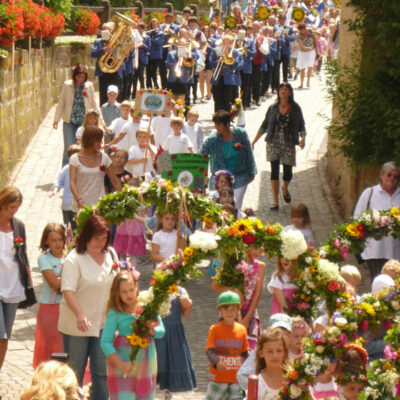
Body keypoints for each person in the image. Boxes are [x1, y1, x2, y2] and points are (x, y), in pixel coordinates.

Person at [58, 215, 117, 400]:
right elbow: (67, 291)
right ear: (86, 236)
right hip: (78, 325)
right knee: (74, 373)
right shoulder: (74, 259)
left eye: (104, 238)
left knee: (102, 371)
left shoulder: (111, 254)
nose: (100, 243)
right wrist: (80, 314)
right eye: (96, 238)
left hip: (103, 323)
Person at [101, 268, 165, 400]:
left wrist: (151, 330)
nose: (129, 294)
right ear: (116, 293)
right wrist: (120, 364)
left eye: (131, 290)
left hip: (146, 362)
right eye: (123, 292)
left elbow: (161, 331)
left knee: (144, 395)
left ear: (136, 287)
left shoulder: (147, 307)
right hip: (122, 362)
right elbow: (105, 342)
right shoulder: (115, 312)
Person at [252, 82, 306, 211]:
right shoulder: (272, 108)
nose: (283, 90)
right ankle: (275, 201)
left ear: (290, 93)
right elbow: (264, 125)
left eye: (286, 89)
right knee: (274, 170)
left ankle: (285, 188)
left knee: (288, 172)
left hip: (288, 142)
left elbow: (301, 125)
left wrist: (303, 138)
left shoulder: (295, 108)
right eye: (281, 88)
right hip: (273, 142)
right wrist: (254, 141)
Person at [0, 186, 34, 369]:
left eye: (17, 208)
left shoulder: (18, 225)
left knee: (6, 338)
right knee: (1, 334)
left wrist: (29, 283)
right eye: (11, 207)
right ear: (3, 203)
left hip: (13, 285)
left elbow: (24, 255)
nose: (14, 211)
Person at [200, 110, 257, 214]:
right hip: (220, 179)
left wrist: (251, 171)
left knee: (235, 206)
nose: (216, 127)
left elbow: (249, 152)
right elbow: (201, 154)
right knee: (216, 208)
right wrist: (201, 180)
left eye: (219, 124)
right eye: (215, 124)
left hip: (240, 176)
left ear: (227, 123)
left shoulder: (241, 134)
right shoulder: (213, 138)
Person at [353, 161, 400, 281]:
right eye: (389, 175)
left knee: (396, 287)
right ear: (381, 175)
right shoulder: (370, 193)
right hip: (375, 250)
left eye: (395, 176)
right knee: (378, 283)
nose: (392, 178)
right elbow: (357, 218)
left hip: (396, 250)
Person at [53, 64, 100, 166]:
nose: (80, 79)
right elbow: (61, 103)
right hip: (69, 121)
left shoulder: (89, 86)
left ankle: (79, 168)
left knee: (83, 146)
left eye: (83, 76)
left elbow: (95, 104)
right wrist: (56, 120)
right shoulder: (67, 85)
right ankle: (65, 170)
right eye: (78, 76)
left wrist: (101, 122)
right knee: (68, 146)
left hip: (84, 122)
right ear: (74, 75)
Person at [205, 291, 249, 400]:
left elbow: (245, 352)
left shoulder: (242, 330)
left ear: (238, 309)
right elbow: (209, 350)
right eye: (226, 309)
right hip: (218, 377)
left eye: (233, 309)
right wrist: (216, 362)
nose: (230, 312)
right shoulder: (214, 329)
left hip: (235, 378)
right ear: (220, 310)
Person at [32, 223, 65, 368]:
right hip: (49, 308)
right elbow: (55, 285)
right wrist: (70, 276)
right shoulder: (44, 259)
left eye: (60, 239)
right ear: (46, 241)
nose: (57, 244)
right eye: (53, 240)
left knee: (63, 347)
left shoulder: (69, 256)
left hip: (66, 307)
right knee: (48, 347)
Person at [155, 286, 197, 399]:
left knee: (173, 359)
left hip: (175, 333)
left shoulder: (181, 291)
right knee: (160, 360)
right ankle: (151, 388)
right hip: (159, 331)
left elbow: (186, 314)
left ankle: (168, 390)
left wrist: (189, 304)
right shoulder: (155, 290)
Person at [69, 126, 122, 215]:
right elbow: (72, 181)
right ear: (90, 140)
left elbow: (115, 180)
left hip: (99, 206)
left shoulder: (104, 157)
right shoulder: (75, 159)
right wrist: (78, 199)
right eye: (99, 140)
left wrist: (123, 198)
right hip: (82, 205)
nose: (101, 143)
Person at [49, 144, 81, 230]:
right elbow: (59, 181)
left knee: (78, 228)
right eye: (72, 157)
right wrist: (55, 190)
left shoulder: (83, 169)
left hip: (79, 205)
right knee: (68, 227)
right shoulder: (66, 169)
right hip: (67, 205)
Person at [91, 22, 124, 106]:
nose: (106, 31)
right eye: (104, 29)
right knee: (104, 94)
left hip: (116, 71)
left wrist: (125, 55)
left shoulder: (118, 41)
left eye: (108, 29)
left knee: (117, 94)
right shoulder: (98, 41)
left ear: (113, 30)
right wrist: (103, 50)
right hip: (103, 72)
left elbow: (120, 56)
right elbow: (93, 54)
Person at [210, 34, 243, 112]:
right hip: (217, 78)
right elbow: (211, 63)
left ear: (231, 43)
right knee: (217, 100)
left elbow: (239, 67)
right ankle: (217, 119)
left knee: (226, 100)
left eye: (227, 43)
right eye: (224, 42)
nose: (225, 44)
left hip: (229, 80)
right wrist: (217, 62)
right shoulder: (216, 51)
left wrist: (230, 58)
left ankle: (227, 119)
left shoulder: (236, 53)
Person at [255, 328, 291, 400]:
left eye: (279, 351)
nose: (275, 356)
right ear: (261, 353)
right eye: (269, 351)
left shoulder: (293, 378)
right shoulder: (257, 383)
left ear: (284, 352)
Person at [295, 22, 318, 89]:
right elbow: (300, 44)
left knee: (310, 66)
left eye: (303, 29)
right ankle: (301, 83)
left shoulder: (311, 31)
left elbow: (315, 42)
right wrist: (306, 48)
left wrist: (317, 52)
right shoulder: (298, 35)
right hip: (302, 52)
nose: (302, 31)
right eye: (301, 29)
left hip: (311, 51)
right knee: (302, 68)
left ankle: (308, 81)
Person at [147, 19, 165, 89]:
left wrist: (148, 38)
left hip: (157, 55)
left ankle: (156, 86)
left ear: (158, 25)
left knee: (153, 72)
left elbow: (157, 42)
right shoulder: (149, 33)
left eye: (155, 25)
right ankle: (149, 87)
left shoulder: (161, 33)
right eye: (152, 25)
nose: (154, 26)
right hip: (149, 55)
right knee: (148, 72)